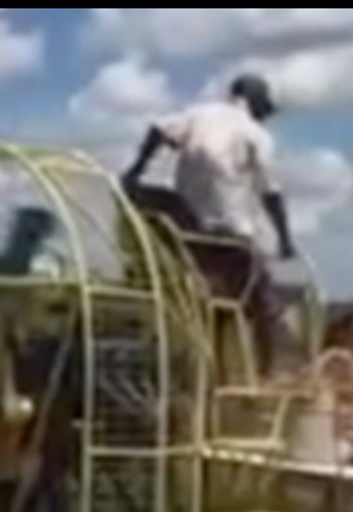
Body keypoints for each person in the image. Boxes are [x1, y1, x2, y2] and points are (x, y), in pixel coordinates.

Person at [123, 73, 293, 378]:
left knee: (214, 308)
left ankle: (214, 373)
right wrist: (285, 238)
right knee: (264, 305)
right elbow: (271, 192)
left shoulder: (198, 115)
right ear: (254, 102)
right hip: (231, 235)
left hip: (188, 232)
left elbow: (158, 130)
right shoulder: (254, 134)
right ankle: (268, 373)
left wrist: (136, 170)